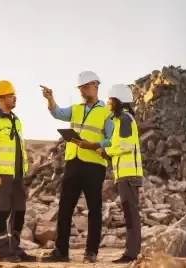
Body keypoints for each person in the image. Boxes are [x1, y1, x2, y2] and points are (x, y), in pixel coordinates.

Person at [40, 71, 115, 263]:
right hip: (73, 163)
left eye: (85, 87)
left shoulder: (106, 113)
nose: (82, 90)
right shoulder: (75, 109)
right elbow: (57, 113)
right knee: (65, 207)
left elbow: (111, 139)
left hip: (94, 166)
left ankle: (91, 252)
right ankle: (61, 252)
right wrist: (50, 99)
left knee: (94, 210)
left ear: (95, 86)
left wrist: (93, 145)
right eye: (80, 87)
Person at [0, 80, 35, 263]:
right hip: (1, 175)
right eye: (11, 95)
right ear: (0, 99)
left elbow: (20, 148)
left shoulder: (15, 120)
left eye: (14, 95)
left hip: (17, 175)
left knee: (19, 212)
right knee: (1, 212)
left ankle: (15, 249)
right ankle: (3, 252)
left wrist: (25, 172)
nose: (14, 98)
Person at [97, 84, 144, 264]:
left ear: (118, 101)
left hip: (129, 175)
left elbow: (125, 146)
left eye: (110, 100)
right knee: (129, 214)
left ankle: (131, 254)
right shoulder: (120, 120)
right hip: (125, 175)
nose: (108, 103)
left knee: (131, 214)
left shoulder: (124, 119)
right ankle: (131, 252)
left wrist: (106, 152)